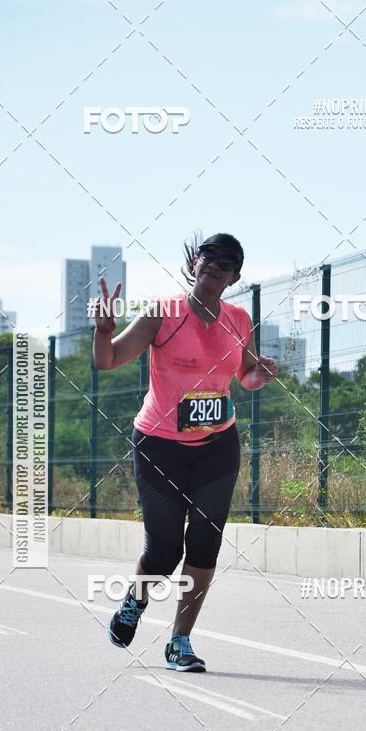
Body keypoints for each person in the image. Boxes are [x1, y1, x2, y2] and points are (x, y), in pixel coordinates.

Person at [92, 233, 277, 671]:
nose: (214, 263)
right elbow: (108, 360)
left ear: (235, 276)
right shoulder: (163, 314)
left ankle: (180, 642)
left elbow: (244, 376)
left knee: (205, 544)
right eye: (208, 255)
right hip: (160, 445)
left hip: (218, 444)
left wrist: (259, 376)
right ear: (195, 263)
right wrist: (103, 332)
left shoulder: (239, 319)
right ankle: (134, 605)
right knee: (163, 551)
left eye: (226, 261)